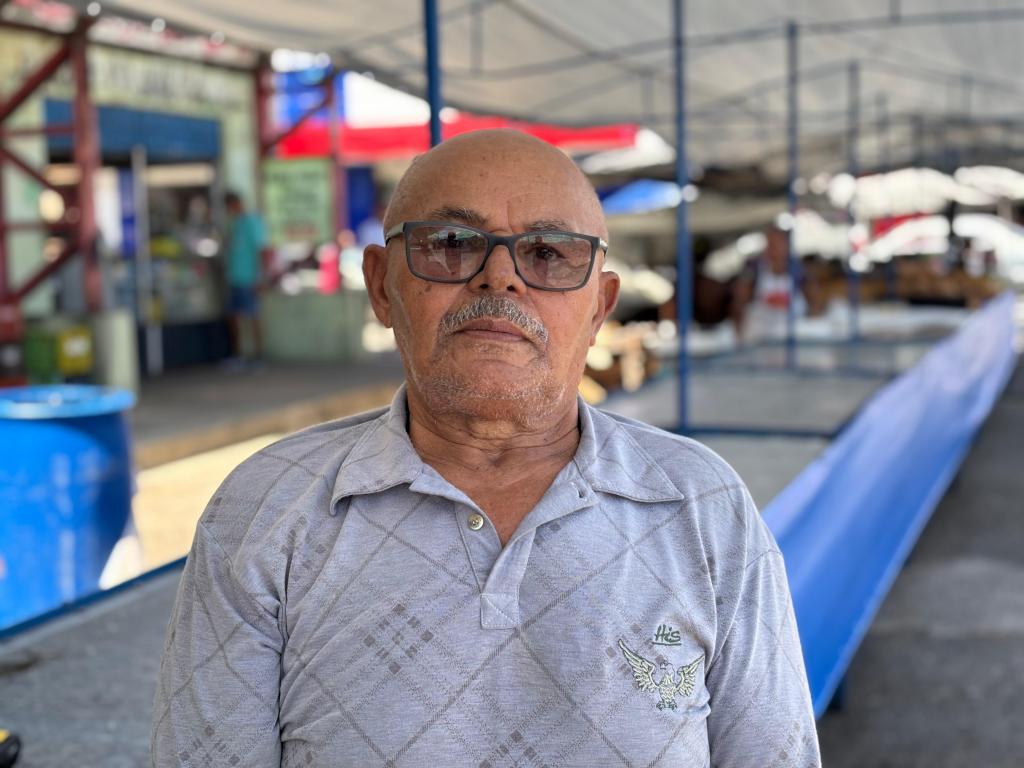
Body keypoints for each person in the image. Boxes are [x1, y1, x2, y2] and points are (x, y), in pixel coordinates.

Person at [152, 130, 821, 767]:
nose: (500, 278)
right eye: (450, 244)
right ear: (382, 287)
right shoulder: (266, 511)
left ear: (599, 307)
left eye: (548, 253)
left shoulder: (702, 507)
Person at [223, 191, 267, 361]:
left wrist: (260, 278)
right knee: (234, 316)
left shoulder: (251, 222)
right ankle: (238, 354)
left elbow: (260, 250)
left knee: (253, 316)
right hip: (235, 277)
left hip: (249, 279)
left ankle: (259, 355)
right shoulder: (235, 224)